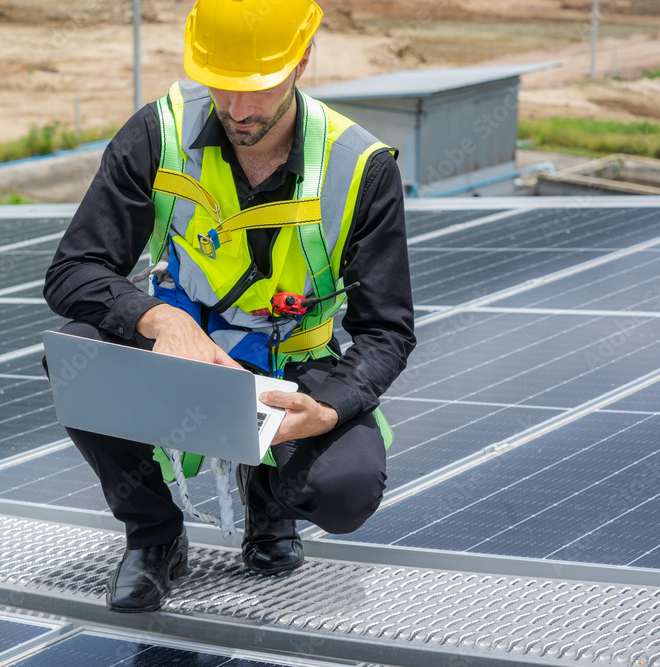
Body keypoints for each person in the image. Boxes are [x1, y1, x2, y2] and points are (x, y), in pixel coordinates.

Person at [43, 0, 415, 613]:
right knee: (78, 352)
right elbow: (73, 270)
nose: (240, 111)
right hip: (189, 352)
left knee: (343, 489)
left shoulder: (359, 168)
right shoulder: (158, 133)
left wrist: (324, 408)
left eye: (260, 88)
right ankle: (155, 536)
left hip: (295, 367)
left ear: (301, 62)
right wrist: (163, 320)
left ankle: (272, 496)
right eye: (223, 87)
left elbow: (387, 332)